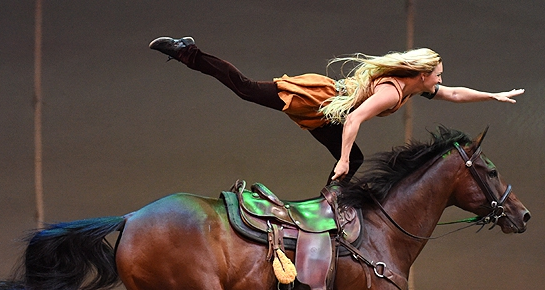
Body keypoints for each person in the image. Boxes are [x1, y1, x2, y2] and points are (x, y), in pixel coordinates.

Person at [149, 36, 524, 182]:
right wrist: (342, 158)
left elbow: (455, 94)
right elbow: (357, 117)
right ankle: (187, 52)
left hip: (330, 114)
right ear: (423, 74)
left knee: (356, 163)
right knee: (246, 89)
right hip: (320, 100)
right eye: (438, 75)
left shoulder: (415, 89)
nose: (441, 80)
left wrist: (494, 95)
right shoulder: (394, 92)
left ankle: (329, 208)